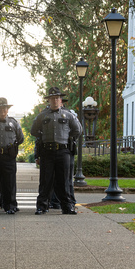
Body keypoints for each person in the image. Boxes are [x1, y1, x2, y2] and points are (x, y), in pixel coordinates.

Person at [31, 87, 81, 215]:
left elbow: (78, 130)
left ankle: (67, 207)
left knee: (64, 180)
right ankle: (42, 206)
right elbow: (33, 131)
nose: (55, 100)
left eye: (57, 98)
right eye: (52, 98)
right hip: (47, 152)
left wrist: (67, 137)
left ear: (60, 100)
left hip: (63, 151)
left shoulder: (68, 115)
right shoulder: (42, 116)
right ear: (48, 100)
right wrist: (43, 137)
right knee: (45, 181)